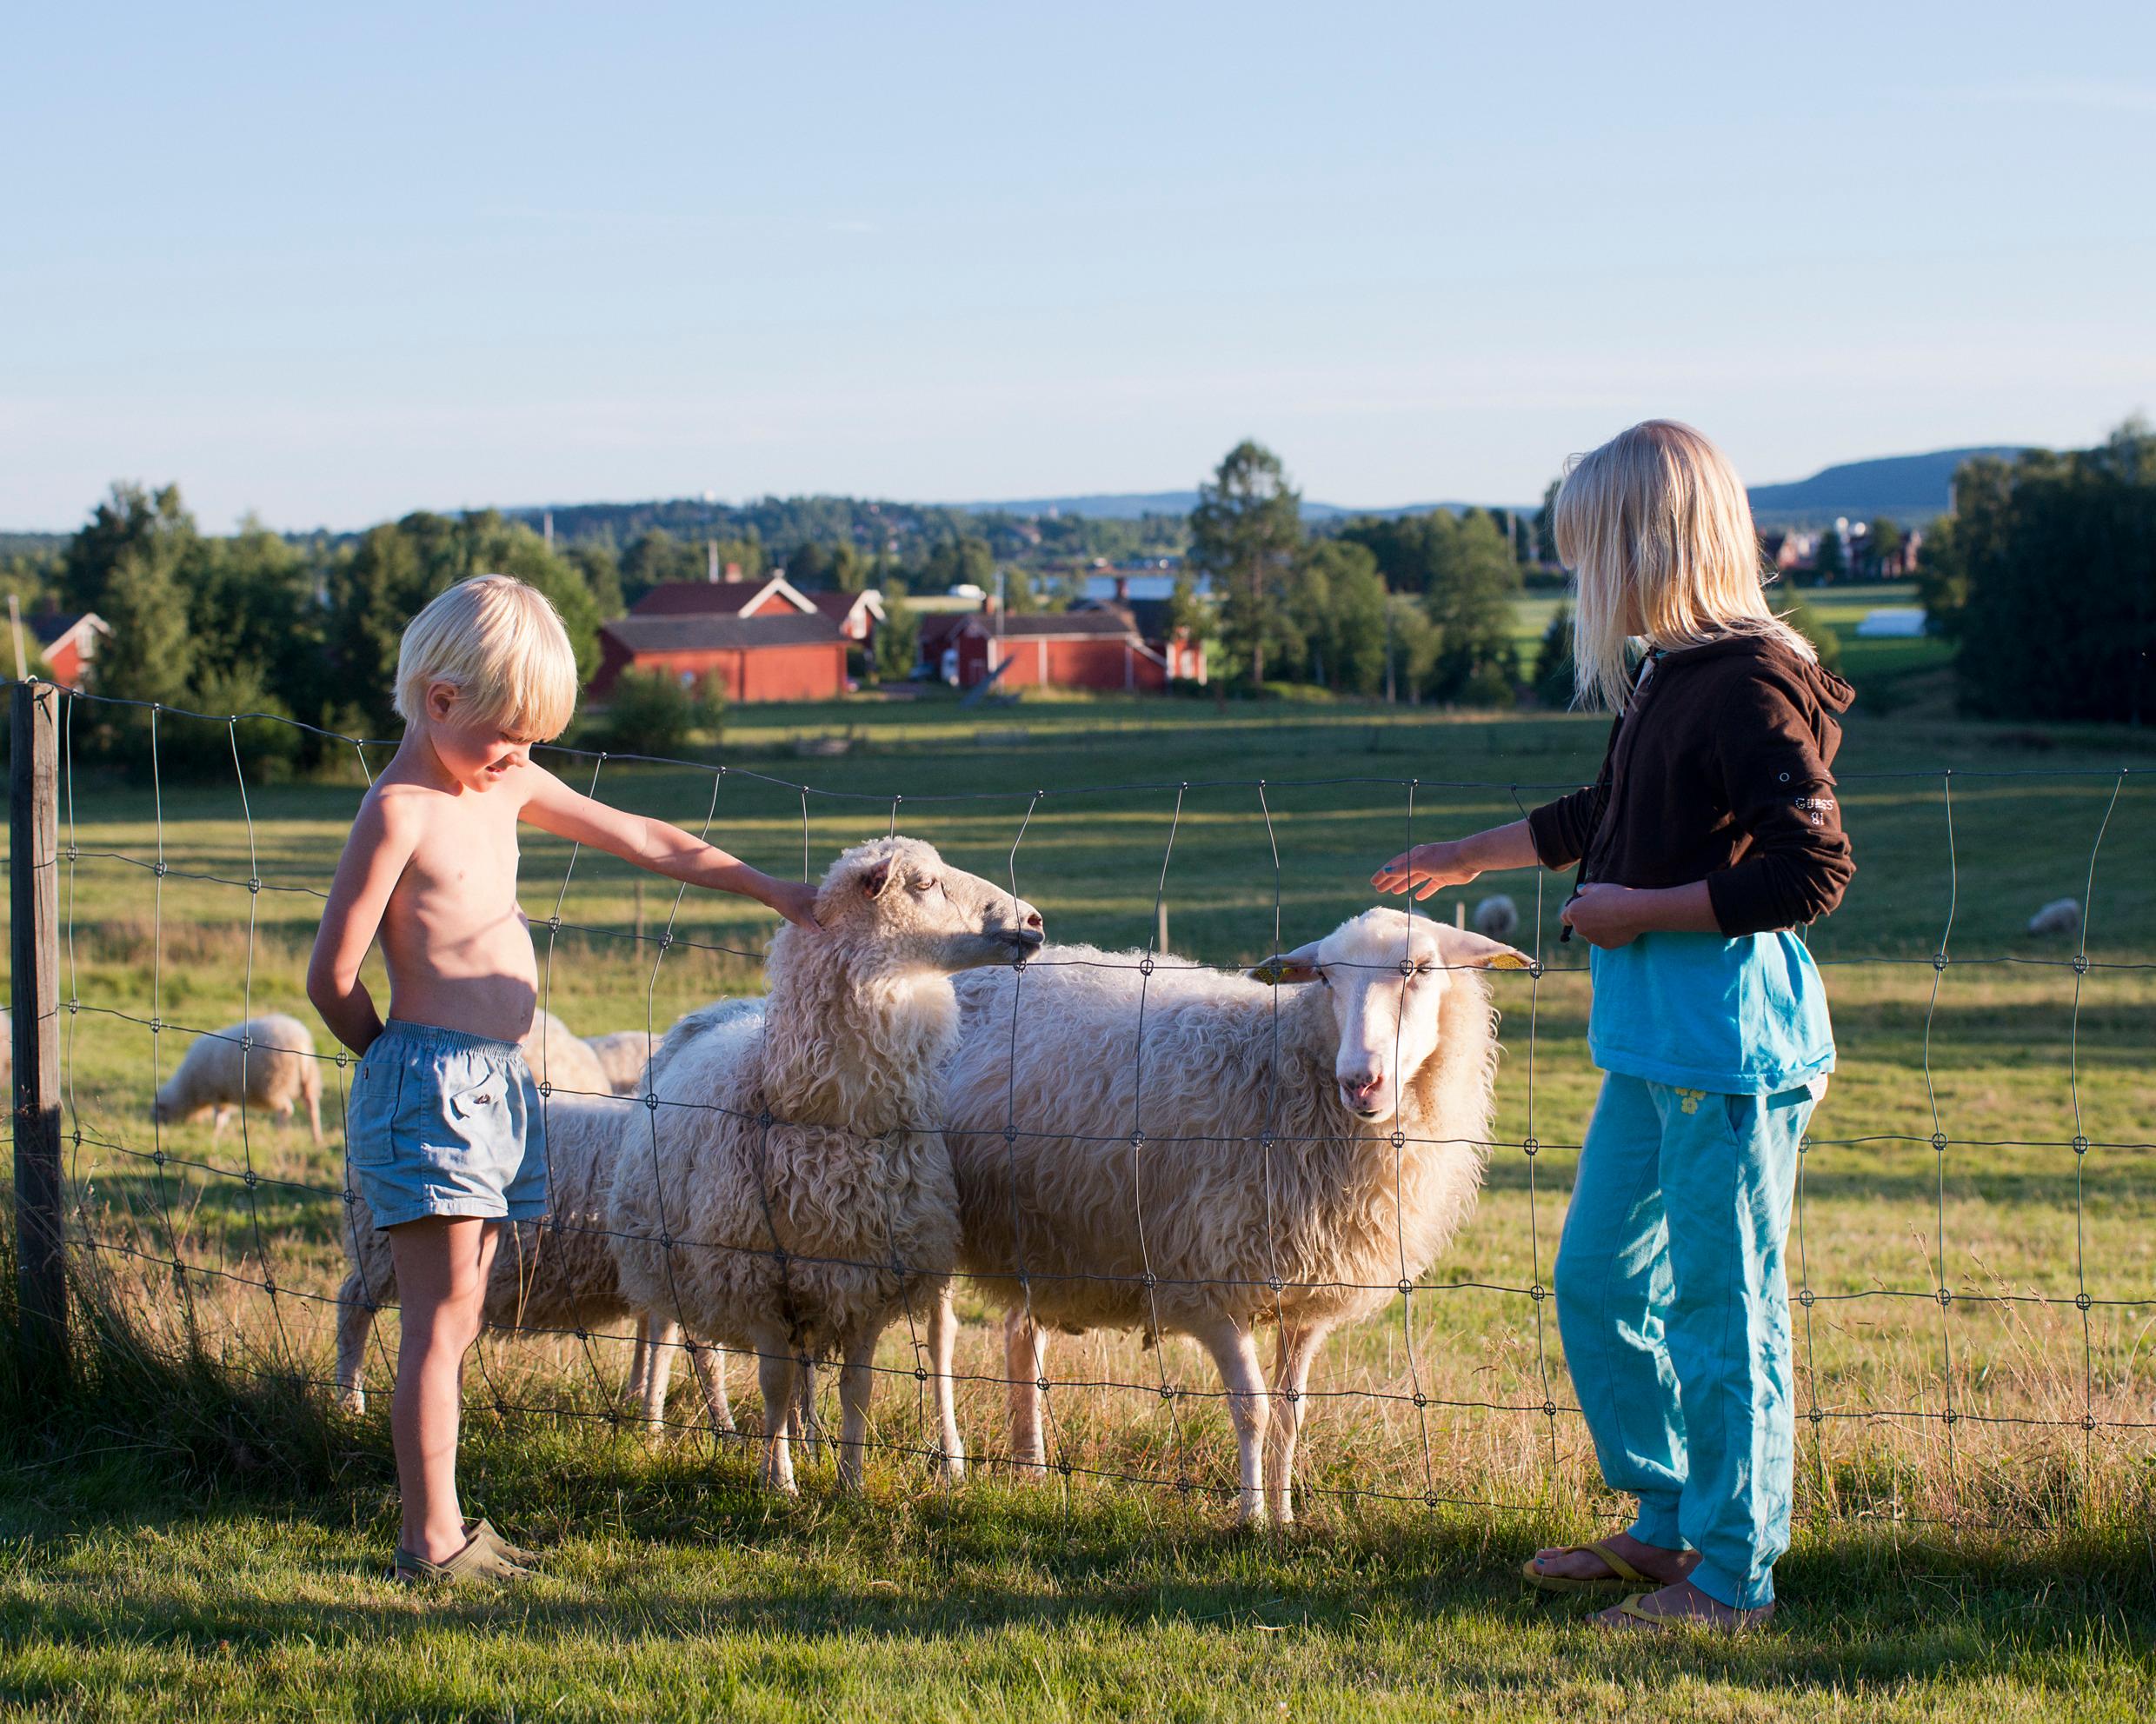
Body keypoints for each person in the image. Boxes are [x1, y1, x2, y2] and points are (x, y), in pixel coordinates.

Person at [1373, 421, 1853, 1632]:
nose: (1582, 578)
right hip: (1652, 1048)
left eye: (1590, 550)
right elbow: (1612, 808)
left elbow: (1811, 869)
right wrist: (1461, 853)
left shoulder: (1748, 682)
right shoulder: (1672, 674)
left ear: (1651, 542)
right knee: (1596, 1277)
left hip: (1728, 1047)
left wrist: (1636, 909)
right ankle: (1667, 1517)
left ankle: (1735, 1575)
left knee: (1721, 1307)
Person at [306, 575, 820, 1585]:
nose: (520, 759)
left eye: (534, 742)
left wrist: (767, 889)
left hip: (499, 1085)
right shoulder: (399, 811)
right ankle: (430, 1540)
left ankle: (446, 1523)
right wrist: (397, 1071)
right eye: (508, 736)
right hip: (430, 1084)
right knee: (441, 1317)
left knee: (466, 1308)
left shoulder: (500, 782)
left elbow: (643, 838)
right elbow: (329, 976)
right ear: (441, 700)